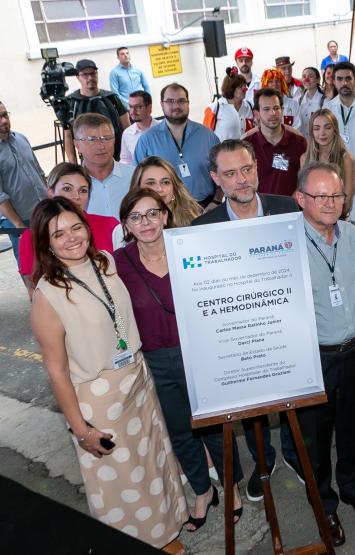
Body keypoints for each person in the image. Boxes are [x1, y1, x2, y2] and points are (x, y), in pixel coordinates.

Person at [29, 197, 187, 554]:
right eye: (58, 234)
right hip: (98, 400)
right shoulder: (47, 295)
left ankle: (165, 533)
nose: (71, 238)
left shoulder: (105, 263)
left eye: (76, 227)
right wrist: (80, 429)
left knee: (153, 465)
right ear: (46, 243)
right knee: (119, 481)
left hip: (137, 381)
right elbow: (55, 370)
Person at [113, 188, 244, 534]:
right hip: (155, 359)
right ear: (126, 223)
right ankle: (203, 491)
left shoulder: (189, 246)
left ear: (166, 215)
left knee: (215, 424)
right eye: (136, 216)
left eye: (152, 213)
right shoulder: (118, 263)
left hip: (200, 352)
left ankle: (231, 487)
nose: (146, 222)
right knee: (180, 431)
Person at [191, 140, 302, 503]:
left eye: (247, 169)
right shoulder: (201, 228)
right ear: (215, 179)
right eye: (230, 174)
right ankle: (263, 462)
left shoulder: (288, 209)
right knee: (252, 405)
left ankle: (292, 451)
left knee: (291, 396)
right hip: (237, 336)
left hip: (286, 326)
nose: (241, 180)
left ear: (256, 167)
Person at [293, 162, 355, 546]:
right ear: (300, 199)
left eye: (337, 195)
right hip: (314, 358)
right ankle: (324, 505)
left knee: (353, 426)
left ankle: (353, 488)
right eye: (321, 196)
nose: (330, 203)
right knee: (314, 436)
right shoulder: (286, 244)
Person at [17, 163, 121, 292]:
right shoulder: (31, 237)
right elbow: (34, 290)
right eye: (67, 189)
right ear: (50, 192)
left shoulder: (110, 225)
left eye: (83, 190)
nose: (76, 196)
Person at [134, 84, 221, 207]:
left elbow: (222, 173)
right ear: (162, 104)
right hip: (164, 211)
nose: (176, 106)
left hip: (206, 208)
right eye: (170, 101)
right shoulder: (146, 141)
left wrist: (216, 201)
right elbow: (137, 183)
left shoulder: (208, 136)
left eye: (181, 101)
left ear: (188, 103)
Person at [0, 101, 46, 262]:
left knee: (55, 261)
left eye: (5, 115)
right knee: (30, 268)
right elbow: (0, 197)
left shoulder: (21, 138)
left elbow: (39, 173)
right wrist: (18, 225)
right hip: (19, 221)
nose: (4, 121)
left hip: (42, 212)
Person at [64, 59, 129, 164]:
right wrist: (74, 167)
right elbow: (68, 136)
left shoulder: (112, 98)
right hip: (88, 162)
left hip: (118, 158)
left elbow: (127, 129)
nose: (90, 78)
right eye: (85, 75)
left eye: (93, 74)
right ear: (77, 77)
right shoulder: (71, 103)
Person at [246, 88, 307, 197]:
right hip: (258, 210)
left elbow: (306, 178)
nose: (273, 113)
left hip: (291, 210)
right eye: (266, 109)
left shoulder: (299, 143)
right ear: (256, 113)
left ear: (282, 110)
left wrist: (294, 200)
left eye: (276, 108)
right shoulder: (246, 145)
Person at [74, 113, 134, 220]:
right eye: (92, 140)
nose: (101, 146)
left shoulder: (134, 176)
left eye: (106, 138)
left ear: (114, 140)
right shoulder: (71, 187)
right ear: (77, 145)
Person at [301, 108, 355, 214]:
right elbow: (304, 197)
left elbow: (347, 201)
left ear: (335, 130)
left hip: (338, 219)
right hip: (311, 219)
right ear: (311, 132)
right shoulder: (304, 159)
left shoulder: (346, 159)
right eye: (317, 128)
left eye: (327, 127)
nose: (322, 133)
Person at [128, 157, 201, 228]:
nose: (159, 189)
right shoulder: (128, 225)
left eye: (165, 182)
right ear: (137, 188)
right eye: (151, 183)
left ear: (174, 187)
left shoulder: (194, 221)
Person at [209, 74, 250, 142]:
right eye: (240, 87)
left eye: (245, 86)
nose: (245, 89)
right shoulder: (215, 108)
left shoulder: (248, 106)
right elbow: (206, 136)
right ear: (231, 88)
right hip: (222, 151)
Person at [119, 91, 155, 165]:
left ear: (149, 108)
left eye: (138, 107)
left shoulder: (164, 129)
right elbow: (125, 161)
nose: (133, 111)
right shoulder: (127, 134)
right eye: (131, 107)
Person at [295, 67, 324, 136]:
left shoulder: (324, 101)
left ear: (318, 80)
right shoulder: (298, 100)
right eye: (304, 76)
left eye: (310, 76)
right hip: (302, 143)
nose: (306, 79)